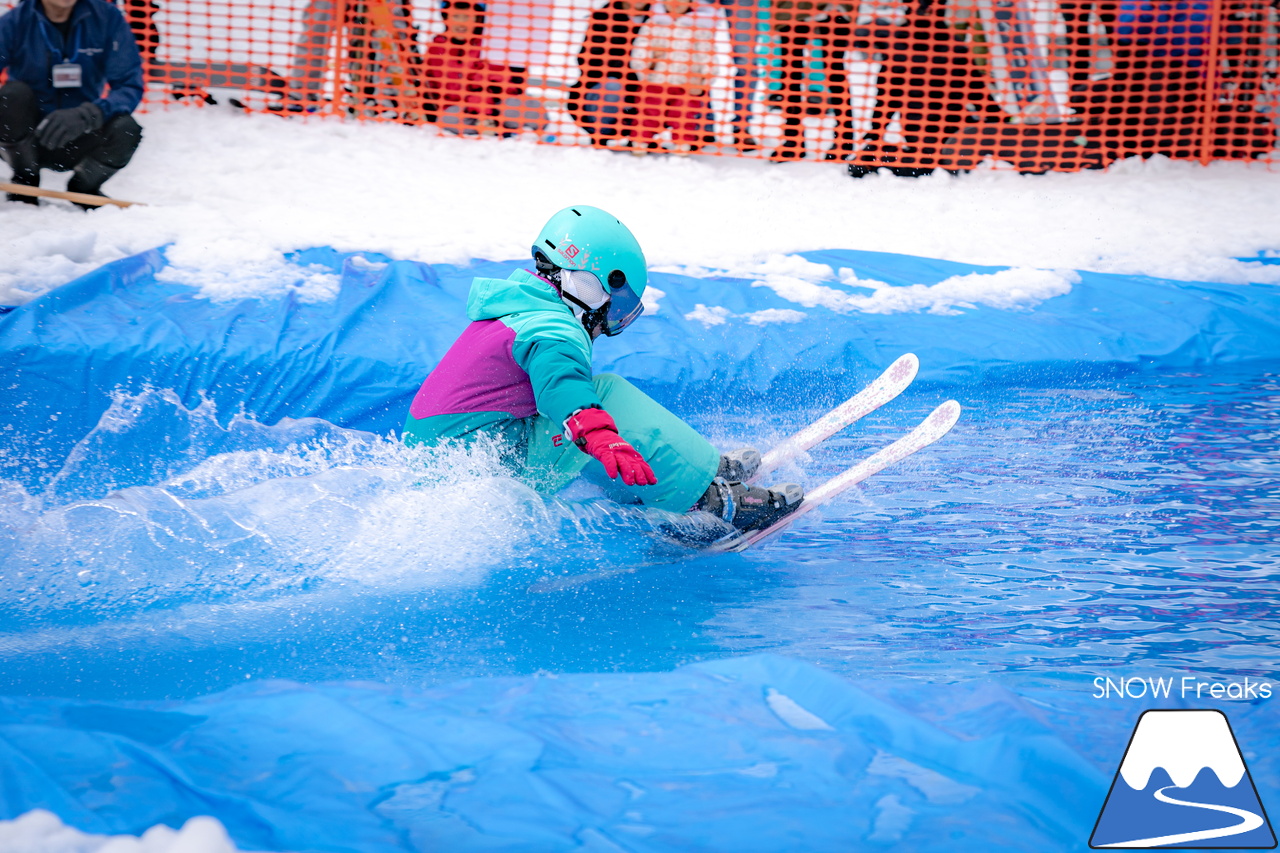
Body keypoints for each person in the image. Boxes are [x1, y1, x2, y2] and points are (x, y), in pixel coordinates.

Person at [403, 205, 804, 536]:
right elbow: (561, 384)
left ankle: (688, 475)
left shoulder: (517, 308)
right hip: (485, 473)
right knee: (606, 398)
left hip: (449, 468)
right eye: (618, 298)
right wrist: (596, 432)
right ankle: (712, 501)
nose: (610, 318)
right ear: (593, 281)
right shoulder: (552, 328)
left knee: (590, 421)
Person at [0, 0, 144, 205]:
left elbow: (129, 85)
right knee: (11, 96)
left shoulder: (107, 18)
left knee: (126, 129)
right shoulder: (15, 22)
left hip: (81, 133)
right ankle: (25, 180)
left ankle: (84, 187)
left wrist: (89, 114)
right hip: (27, 138)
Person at [629, 0, 721, 153]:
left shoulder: (699, 26)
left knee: (684, 113)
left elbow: (708, 54)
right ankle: (640, 142)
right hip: (655, 81)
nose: (675, 3)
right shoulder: (654, 23)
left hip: (685, 83)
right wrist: (648, 60)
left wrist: (705, 79)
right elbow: (640, 47)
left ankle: (682, 144)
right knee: (648, 113)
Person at [566, 0, 650, 147]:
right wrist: (626, 69)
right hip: (605, 84)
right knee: (612, 87)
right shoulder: (603, 18)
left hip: (643, 85)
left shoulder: (659, 19)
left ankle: (641, 139)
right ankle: (601, 133)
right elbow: (588, 57)